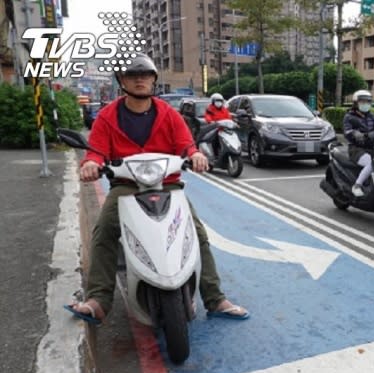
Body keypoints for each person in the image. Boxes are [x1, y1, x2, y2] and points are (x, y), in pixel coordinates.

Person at [64, 53, 248, 324]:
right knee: (104, 231)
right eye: (132, 75)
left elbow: (186, 144)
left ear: (153, 80)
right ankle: (99, 300)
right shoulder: (107, 116)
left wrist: (195, 155)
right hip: (126, 187)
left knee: (196, 234)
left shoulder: (169, 114)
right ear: (121, 80)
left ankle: (214, 298)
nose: (140, 80)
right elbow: (97, 151)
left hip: (168, 185)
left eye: (145, 75)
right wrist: (91, 164)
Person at [343, 89, 374, 197]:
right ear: (355, 103)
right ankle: (357, 185)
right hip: (356, 149)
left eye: (368, 102)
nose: (365, 104)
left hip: (372, 148)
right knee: (372, 163)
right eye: (362, 102)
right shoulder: (349, 117)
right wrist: (355, 133)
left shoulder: (371, 116)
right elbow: (347, 132)